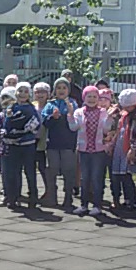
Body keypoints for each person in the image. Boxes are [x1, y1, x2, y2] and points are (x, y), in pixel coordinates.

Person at [71, 85, 115, 216]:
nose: (92, 99)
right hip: (84, 150)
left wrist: (110, 118)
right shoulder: (79, 112)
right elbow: (73, 127)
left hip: (98, 150)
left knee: (97, 178)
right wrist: (69, 115)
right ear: (84, 98)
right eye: (89, 96)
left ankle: (97, 205)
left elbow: (106, 129)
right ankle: (84, 205)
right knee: (85, 178)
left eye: (95, 97)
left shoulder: (103, 112)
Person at [42, 78, 78, 208]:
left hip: (68, 144)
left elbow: (76, 123)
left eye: (64, 88)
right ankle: (52, 197)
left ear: (68, 90)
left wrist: (70, 113)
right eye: (58, 88)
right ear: (54, 90)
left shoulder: (73, 103)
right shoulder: (50, 105)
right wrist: (53, 117)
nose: (61, 90)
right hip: (53, 143)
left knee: (68, 171)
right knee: (52, 170)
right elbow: (45, 122)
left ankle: (68, 198)